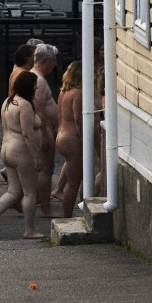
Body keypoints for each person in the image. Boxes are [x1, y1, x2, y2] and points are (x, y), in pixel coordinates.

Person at [0, 71, 44, 240]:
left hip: (7, 150)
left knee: (13, 192)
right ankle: (29, 229)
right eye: (34, 84)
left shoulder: (8, 102)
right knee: (29, 192)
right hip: (21, 152)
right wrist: (36, 156)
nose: (36, 86)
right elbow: (27, 133)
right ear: (27, 86)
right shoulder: (24, 105)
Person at [30, 44, 60, 216]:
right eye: (53, 61)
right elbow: (38, 109)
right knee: (46, 169)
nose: (55, 65)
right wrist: (45, 134)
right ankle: (46, 207)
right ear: (46, 61)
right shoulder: (39, 80)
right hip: (44, 129)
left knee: (45, 169)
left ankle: (38, 201)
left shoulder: (36, 77)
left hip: (46, 127)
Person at [53, 61, 84, 215]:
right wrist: (84, 137)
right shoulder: (77, 93)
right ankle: (67, 216)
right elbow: (78, 119)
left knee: (73, 178)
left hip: (61, 136)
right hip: (72, 139)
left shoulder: (63, 92)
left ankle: (69, 214)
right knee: (74, 183)